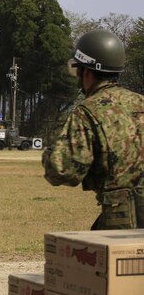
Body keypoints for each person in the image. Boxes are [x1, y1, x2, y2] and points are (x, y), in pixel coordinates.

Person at [43, 29, 144, 229]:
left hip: (123, 220)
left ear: (86, 72)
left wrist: (49, 155)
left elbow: (63, 171)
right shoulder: (141, 102)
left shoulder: (87, 111)